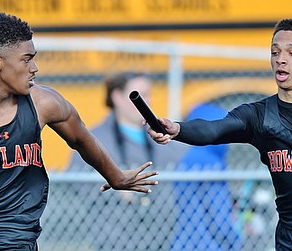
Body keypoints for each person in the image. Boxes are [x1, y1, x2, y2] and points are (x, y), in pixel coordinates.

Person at [0, 11, 159, 251]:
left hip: (18, 240)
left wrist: (116, 176)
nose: (35, 68)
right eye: (26, 59)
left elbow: (81, 139)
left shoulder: (44, 103)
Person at [146, 18, 292, 250]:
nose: (281, 59)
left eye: (290, 52)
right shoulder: (260, 116)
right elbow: (214, 129)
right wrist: (178, 129)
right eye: (275, 52)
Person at [67, 72, 187, 250]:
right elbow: (76, 181)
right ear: (117, 97)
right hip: (115, 238)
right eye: (140, 95)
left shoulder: (163, 137)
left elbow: (188, 161)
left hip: (162, 237)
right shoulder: (94, 139)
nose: (148, 102)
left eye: (148, 95)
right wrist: (114, 184)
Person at [171, 103, 241, 251]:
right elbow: (220, 219)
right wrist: (236, 241)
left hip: (179, 244)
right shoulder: (213, 165)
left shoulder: (180, 158)